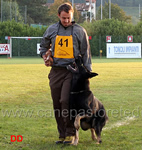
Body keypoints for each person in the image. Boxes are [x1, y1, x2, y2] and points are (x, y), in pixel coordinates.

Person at [40, 2, 92, 145]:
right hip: (56, 71)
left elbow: (86, 53)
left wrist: (87, 72)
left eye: (69, 18)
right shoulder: (51, 30)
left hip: (72, 71)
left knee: (65, 101)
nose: (66, 21)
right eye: (64, 18)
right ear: (58, 16)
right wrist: (45, 56)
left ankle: (71, 133)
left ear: (72, 15)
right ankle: (62, 134)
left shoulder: (80, 31)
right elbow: (43, 46)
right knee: (57, 103)